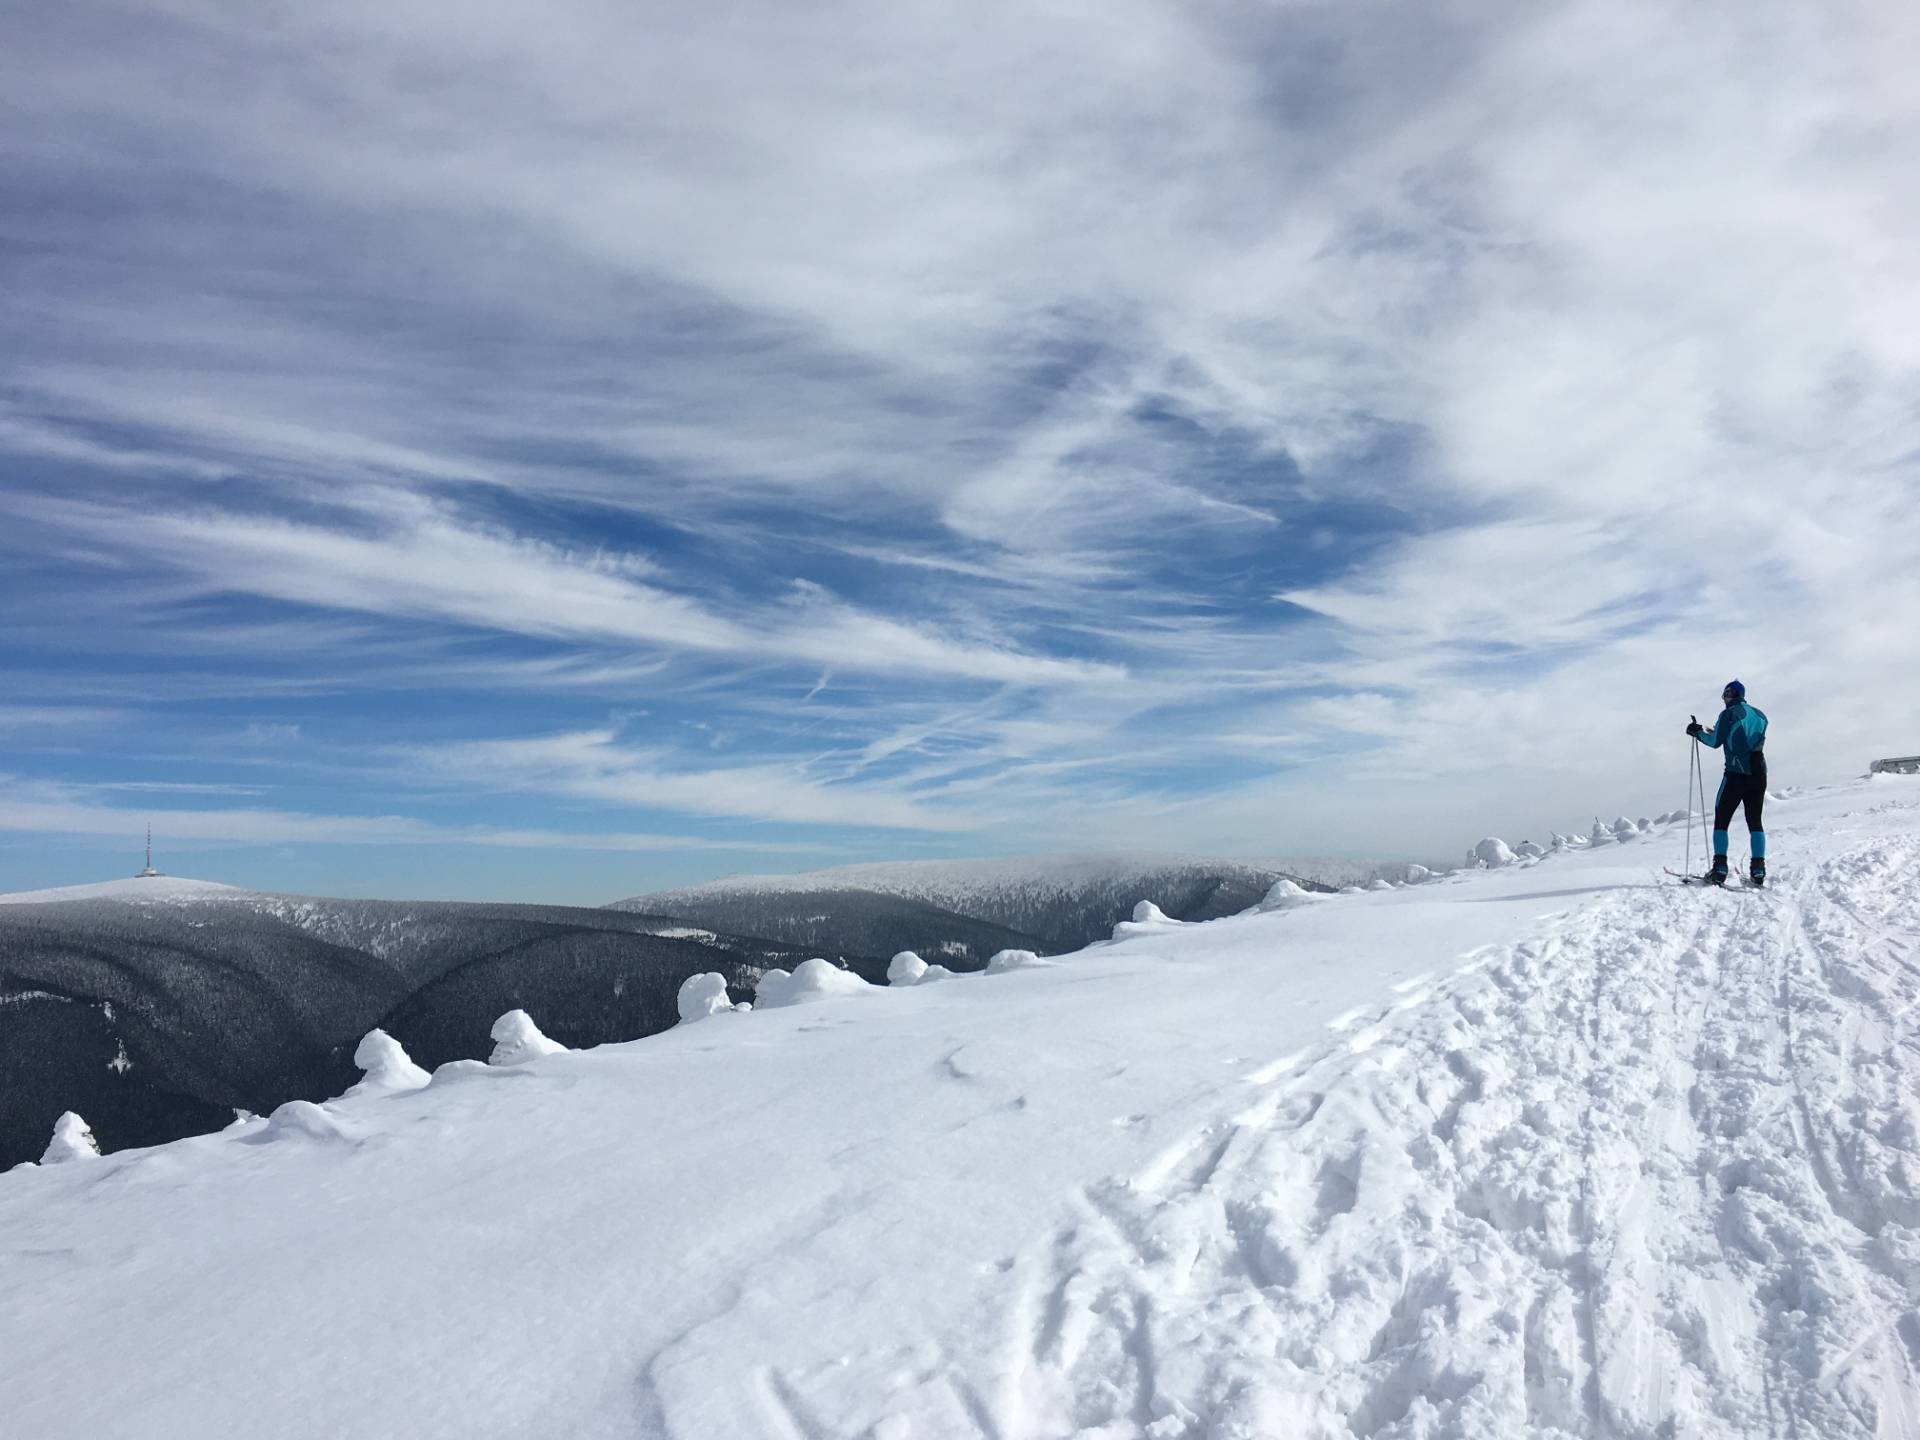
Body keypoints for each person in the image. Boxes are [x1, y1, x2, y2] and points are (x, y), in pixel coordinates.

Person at [1687, 679, 1769, 885]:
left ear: (1730, 695)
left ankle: (1720, 868)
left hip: (1735, 773)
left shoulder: (1728, 714)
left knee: (1722, 818)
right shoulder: (1760, 715)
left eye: (1725, 695)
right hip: (1759, 772)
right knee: (1755, 820)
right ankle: (1758, 869)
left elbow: (1715, 742)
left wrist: (1697, 733)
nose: (1723, 699)